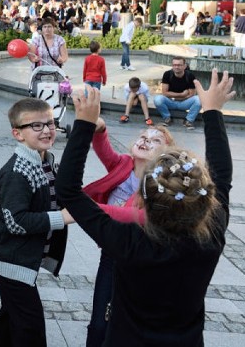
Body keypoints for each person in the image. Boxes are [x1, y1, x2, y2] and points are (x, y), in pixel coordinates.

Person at [57, 71, 234, 347]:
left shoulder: (128, 242)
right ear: (203, 198)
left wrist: (84, 123)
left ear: (143, 200)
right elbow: (222, 176)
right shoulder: (211, 235)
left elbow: (68, 190)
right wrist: (212, 112)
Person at [0, 98, 73, 347]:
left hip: (18, 256)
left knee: (11, 317)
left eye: (50, 123)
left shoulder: (46, 159)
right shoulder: (18, 171)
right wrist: (63, 218)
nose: (46, 130)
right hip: (7, 259)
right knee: (30, 328)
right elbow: (16, 222)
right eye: (36, 126)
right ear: (17, 134)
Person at [81, 115, 172, 346]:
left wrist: (92, 209)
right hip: (112, 254)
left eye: (155, 141)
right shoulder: (123, 163)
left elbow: (137, 214)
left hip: (140, 257)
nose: (145, 140)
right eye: (143, 136)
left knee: (124, 320)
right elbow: (104, 151)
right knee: (99, 320)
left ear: (166, 154)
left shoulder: (161, 182)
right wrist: (99, 128)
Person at [154, 56, 201, 130]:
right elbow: (165, 93)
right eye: (174, 65)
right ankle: (167, 118)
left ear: (184, 66)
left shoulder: (190, 76)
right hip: (171, 101)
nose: (176, 67)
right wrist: (182, 95)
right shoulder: (167, 74)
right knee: (158, 99)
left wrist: (179, 97)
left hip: (184, 102)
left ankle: (188, 120)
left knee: (199, 99)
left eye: (179, 65)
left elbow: (192, 94)